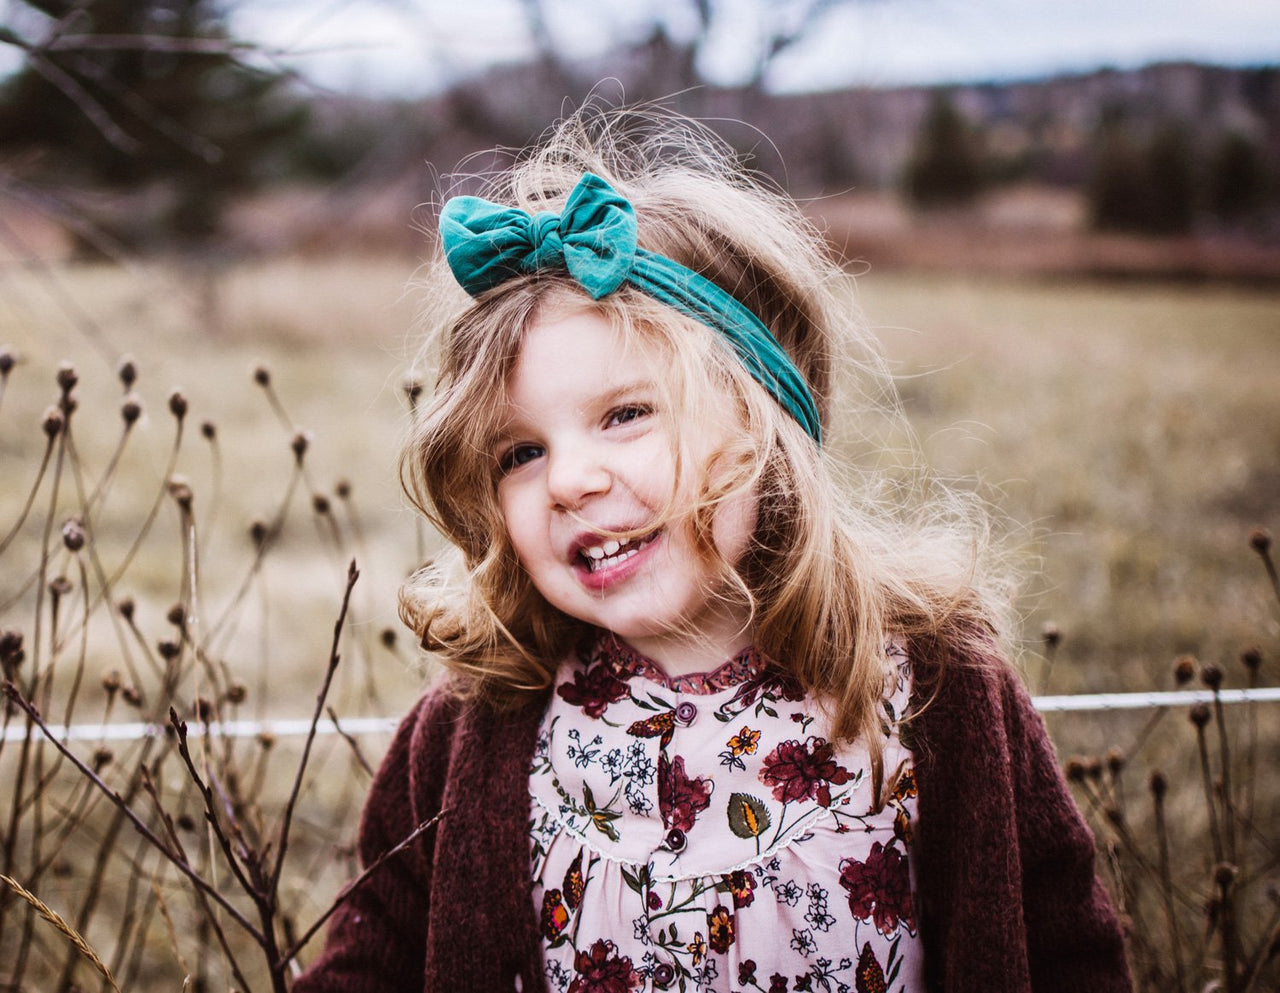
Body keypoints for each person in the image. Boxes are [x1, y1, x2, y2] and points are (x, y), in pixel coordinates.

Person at [294, 108, 1130, 993]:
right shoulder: (472, 730)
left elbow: (1068, 953)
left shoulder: (936, 692)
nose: (569, 481)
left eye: (626, 414)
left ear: (767, 425)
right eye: (521, 452)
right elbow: (369, 961)